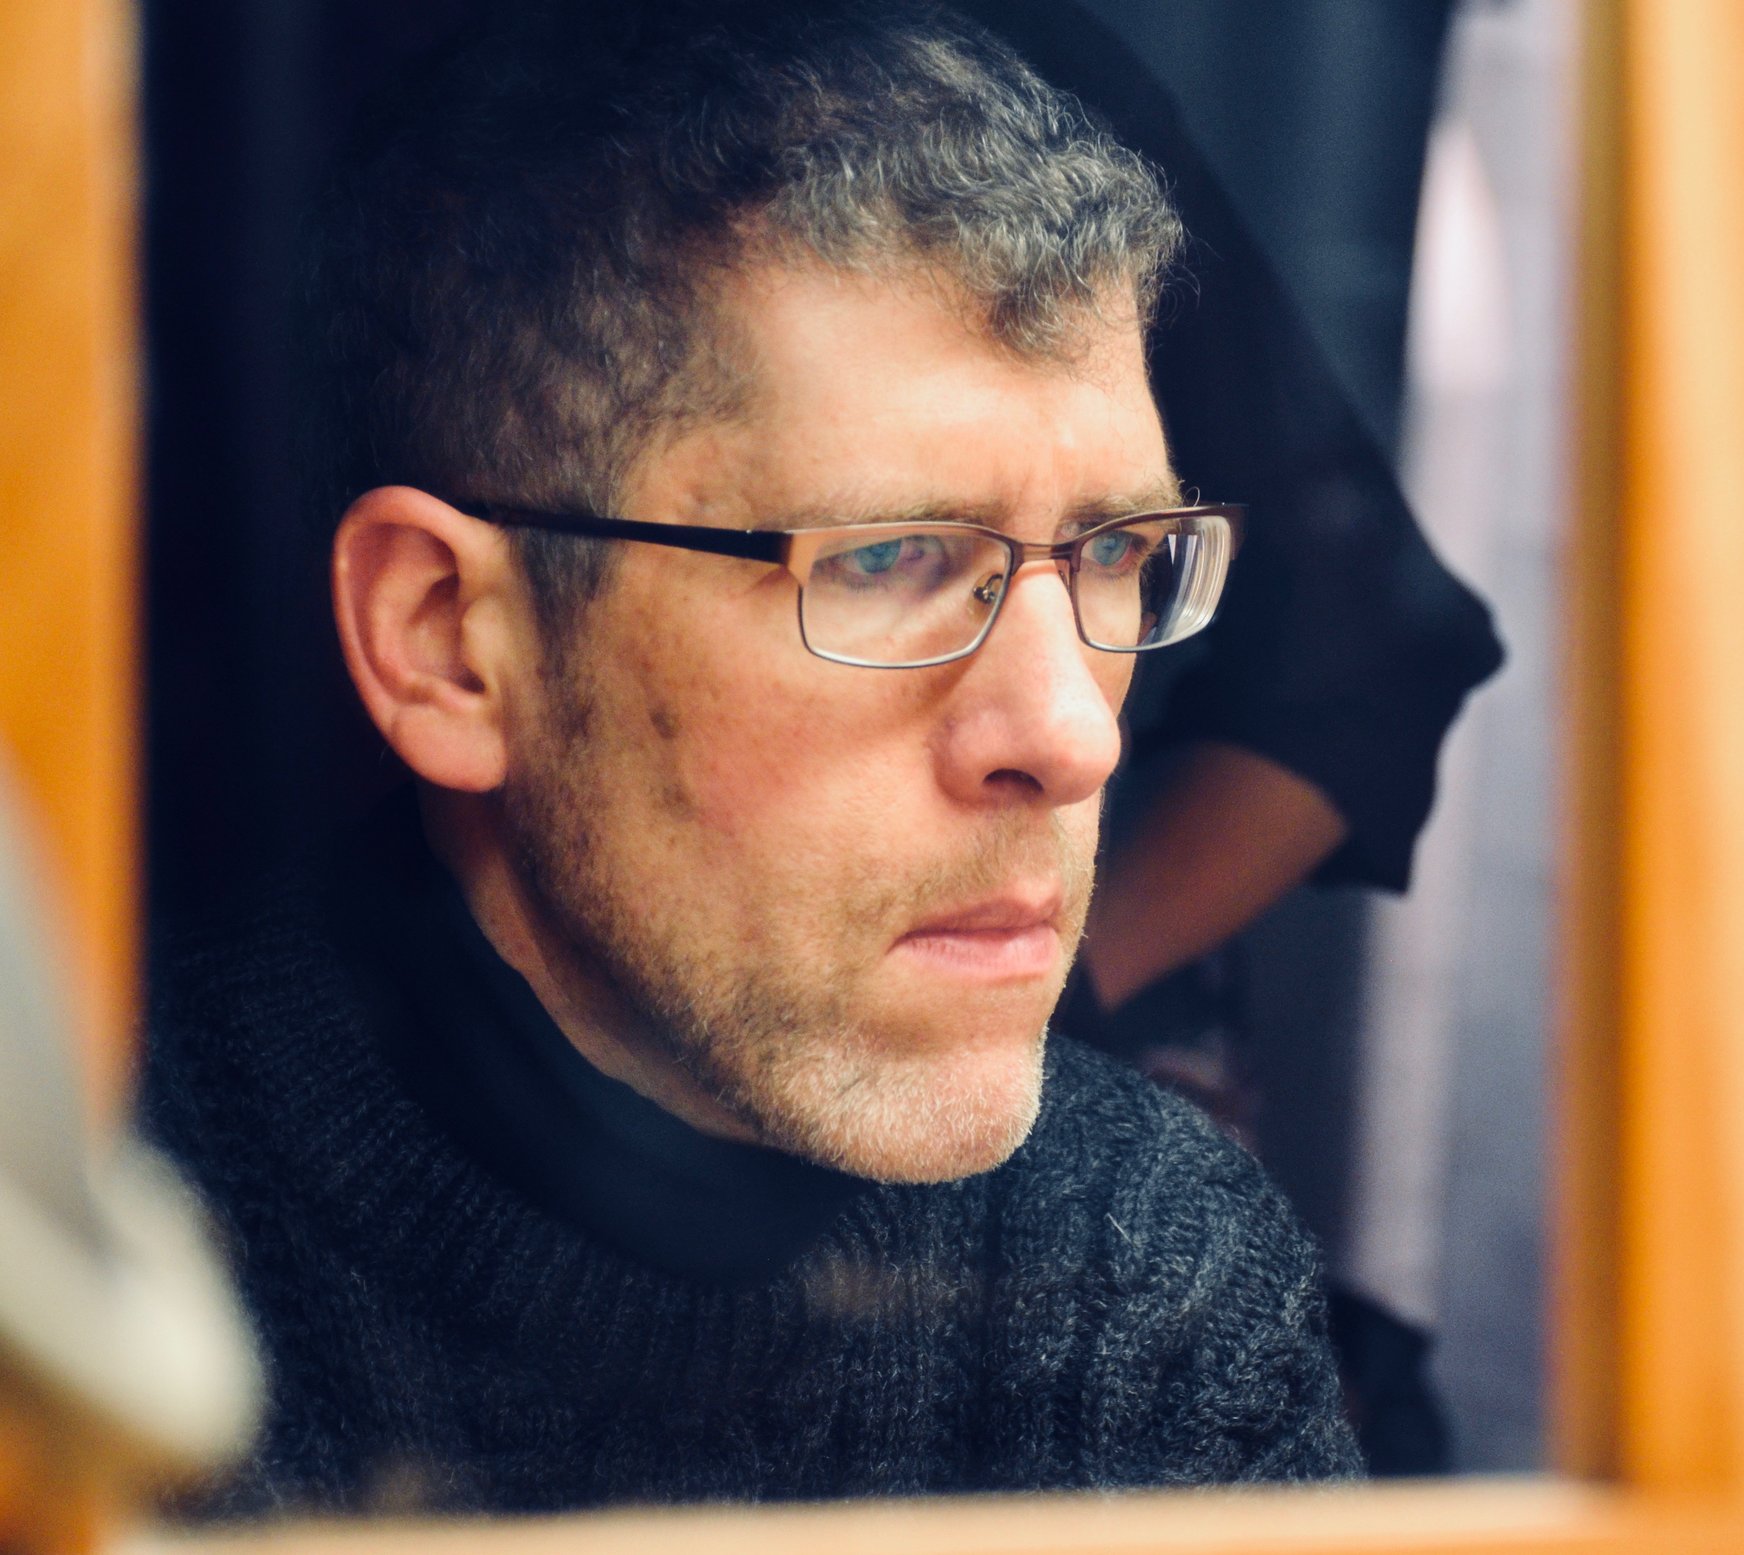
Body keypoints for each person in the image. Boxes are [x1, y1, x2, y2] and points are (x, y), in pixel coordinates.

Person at [141, 0, 1360, 1516]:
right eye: (892, 557)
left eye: (1116, 549)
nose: (1072, 731)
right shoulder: (101, 1280)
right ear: (450, 637)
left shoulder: (1150, 1272)